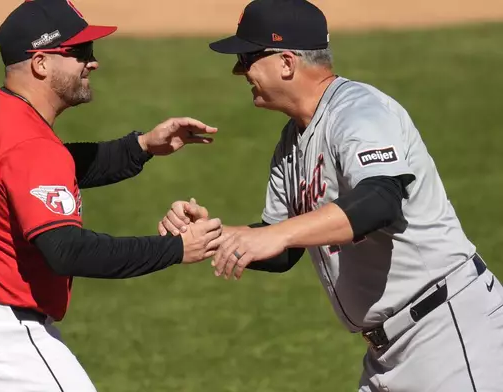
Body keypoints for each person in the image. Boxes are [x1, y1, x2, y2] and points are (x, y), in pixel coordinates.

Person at [159, 0, 503, 390]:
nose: (239, 70)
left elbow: (380, 202)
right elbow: (283, 250)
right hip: (388, 354)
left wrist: (277, 234)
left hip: (448, 334)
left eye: (247, 57)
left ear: (287, 62)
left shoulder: (359, 112)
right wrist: (213, 236)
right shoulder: (291, 143)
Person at [0, 0, 223, 391]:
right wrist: (178, 249)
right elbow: (67, 251)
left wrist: (143, 145)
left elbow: (47, 167)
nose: (92, 62)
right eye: (79, 52)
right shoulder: (30, 142)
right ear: (41, 63)